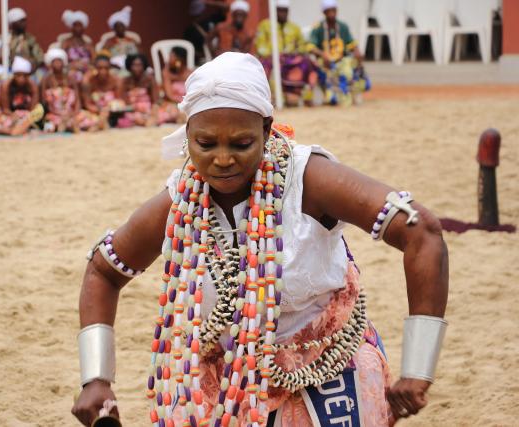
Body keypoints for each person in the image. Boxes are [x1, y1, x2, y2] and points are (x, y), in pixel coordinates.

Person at [71, 52, 449, 426]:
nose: (222, 160)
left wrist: (418, 369)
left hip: (326, 369)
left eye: (240, 144)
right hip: (220, 384)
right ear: (187, 135)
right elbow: (104, 271)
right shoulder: (180, 200)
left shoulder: (309, 180)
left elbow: (422, 232)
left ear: (268, 131)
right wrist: (96, 379)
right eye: (206, 144)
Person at [306, 0, 370, 106]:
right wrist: (323, 54)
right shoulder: (318, 28)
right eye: (329, 11)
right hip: (325, 62)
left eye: (333, 10)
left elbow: (352, 44)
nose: (331, 13)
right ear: (324, 12)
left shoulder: (343, 27)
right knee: (332, 98)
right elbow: (310, 47)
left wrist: (358, 52)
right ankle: (331, 93)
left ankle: (350, 93)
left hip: (342, 60)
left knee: (349, 68)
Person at [255, 0, 317, 106]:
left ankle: (301, 94)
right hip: (271, 58)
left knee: (307, 62)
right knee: (264, 66)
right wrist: (275, 54)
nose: (282, 14)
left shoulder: (295, 28)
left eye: (285, 11)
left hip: (291, 59)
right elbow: (260, 46)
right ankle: (271, 96)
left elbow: (302, 45)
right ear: (275, 11)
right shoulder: (264, 25)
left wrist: (295, 52)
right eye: (280, 11)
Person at [41, 48, 95, 133]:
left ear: (64, 62)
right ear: (50, 63)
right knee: (49, 124)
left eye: (60, 61)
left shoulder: (71, 79)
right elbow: (45, 103)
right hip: (55, 114)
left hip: (71, 113)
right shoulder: (46, 80)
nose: (57, 64)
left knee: (85, 116)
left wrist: (73, 114)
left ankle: (71, 125)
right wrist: (60, 115)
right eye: (55, 61)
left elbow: (77, 100)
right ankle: (67, 126)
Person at [0, 56, 44, 136]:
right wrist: (14, 116)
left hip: (26, 116)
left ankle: (15, 130)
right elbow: (5, 109)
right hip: (8, 114)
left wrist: (23, 117)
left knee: (34, 117)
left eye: (25, 76)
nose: (21, 79)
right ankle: (13, 130)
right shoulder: (6, 86)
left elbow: (32, 109)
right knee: (0, 119)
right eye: (18, 75)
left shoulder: (33, 87)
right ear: (14, 75)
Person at [80, 54, 122, 131]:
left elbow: (119, 100)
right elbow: (87, 104)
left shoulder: (116, 80)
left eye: (106, 68)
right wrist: (100, 110)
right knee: (81, 117)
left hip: (112, 114)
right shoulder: (89, 81)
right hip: (95, 112)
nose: (103, 71)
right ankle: (100, 124)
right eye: (100, 68)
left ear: (110, 68)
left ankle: (100, 124)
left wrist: (108, 110)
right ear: (95, 69)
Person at [117, 54, 158, 128]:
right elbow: (123, 99)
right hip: (132, 111)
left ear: (144, 66)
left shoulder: (150, 79)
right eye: (134, 65)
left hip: (149, 110)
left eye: (139, 65)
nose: (137, 68)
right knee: (125, 119)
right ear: (129, 66)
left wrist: (151, 112)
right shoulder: (125, 81)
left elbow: (155, 100)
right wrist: (135, 108)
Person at [183, 0, 228, 64]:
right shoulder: (190, 30)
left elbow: (227, 8)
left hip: (220, 57)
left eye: (200, 12)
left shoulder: (213, 19)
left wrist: (208, 2)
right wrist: (203, 54)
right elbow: (187, 49)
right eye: (196, 15)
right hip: (202, 61)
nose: (199, 16)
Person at [159, 47, 191, 124]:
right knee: (173, 113)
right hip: (173, 103)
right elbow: (169, 95)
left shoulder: (190, 73)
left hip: (188, 102)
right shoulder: (166, 73)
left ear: (179, 59)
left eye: (171, 56)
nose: (168, 59)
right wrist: (182, 104)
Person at [60, 10, 95, 82]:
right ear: (71, 27)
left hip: (87, 70)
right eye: (75, 25)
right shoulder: (66, 43)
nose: (78, 28)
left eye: (80, 25)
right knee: (74, 76)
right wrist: (72, 65)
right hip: (71, 69)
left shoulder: (88, 44)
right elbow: (61, 58)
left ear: (84, 27)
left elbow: (95, 59)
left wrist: (87, 66)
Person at [8, 8, 44, 74]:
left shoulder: (30, 38)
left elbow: (39, 57)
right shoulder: (5, 38)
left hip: (29, 69)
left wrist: (33, 63)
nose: (24, 24)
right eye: (21, 21)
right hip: (10, 69)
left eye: (24, 21)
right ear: (13, 23)